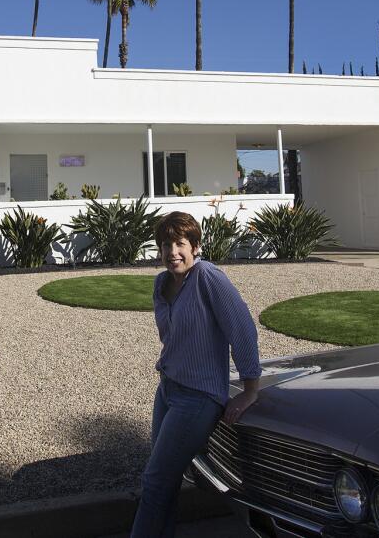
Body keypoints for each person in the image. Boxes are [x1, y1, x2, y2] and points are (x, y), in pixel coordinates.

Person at [129, 210, 261, 538]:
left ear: (195, 247)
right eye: (165, 245)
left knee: (155, 479)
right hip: (168, 390)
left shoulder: (207, 277)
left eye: (180, 243)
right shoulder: (162, 284)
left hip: (198, 398)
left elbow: (242, 328)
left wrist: (250, 389)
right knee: (165, 481)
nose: (172, 251)